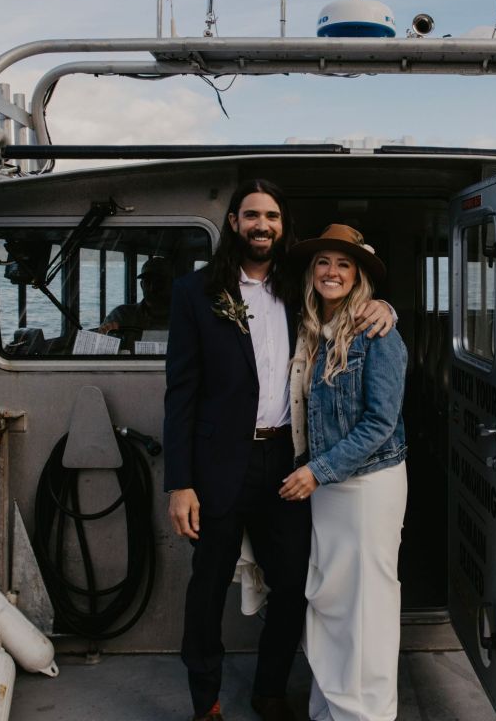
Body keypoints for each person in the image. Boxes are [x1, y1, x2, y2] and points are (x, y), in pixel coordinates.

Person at [163, 181, 394, 721]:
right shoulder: (195, 292)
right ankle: (205, 701)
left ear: (282, 226)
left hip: (286, 462)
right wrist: (180, 483)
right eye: (251, 215)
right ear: (234, 222)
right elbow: (180, 393)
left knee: (293, 584)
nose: (261, 225)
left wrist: (384, 307)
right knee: (208, 587)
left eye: (271, 216)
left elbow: (347, 302)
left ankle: (270, 690)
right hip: (217, 466)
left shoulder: (299, 287)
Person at [280, 224, 408, 721]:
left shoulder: (378, 332)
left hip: (367, 485)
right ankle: (332, 707)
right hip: (328, 486)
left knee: (368, 604)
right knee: (331, 598)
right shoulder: (311, 329)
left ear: (358, 277)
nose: (331, 272)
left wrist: (319, 471)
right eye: (323, 262)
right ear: (312, 272)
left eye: (343, 264)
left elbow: (381, 423)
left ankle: (368, 714)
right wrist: (318, 473)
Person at [100, 256, 173, 351]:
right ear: (141, 285)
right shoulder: (121, 316)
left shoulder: (187, 317)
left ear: (172, 284)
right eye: (147, 282)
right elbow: (102, 349)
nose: (152, 288)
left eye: (159, 282)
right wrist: (104, 338)